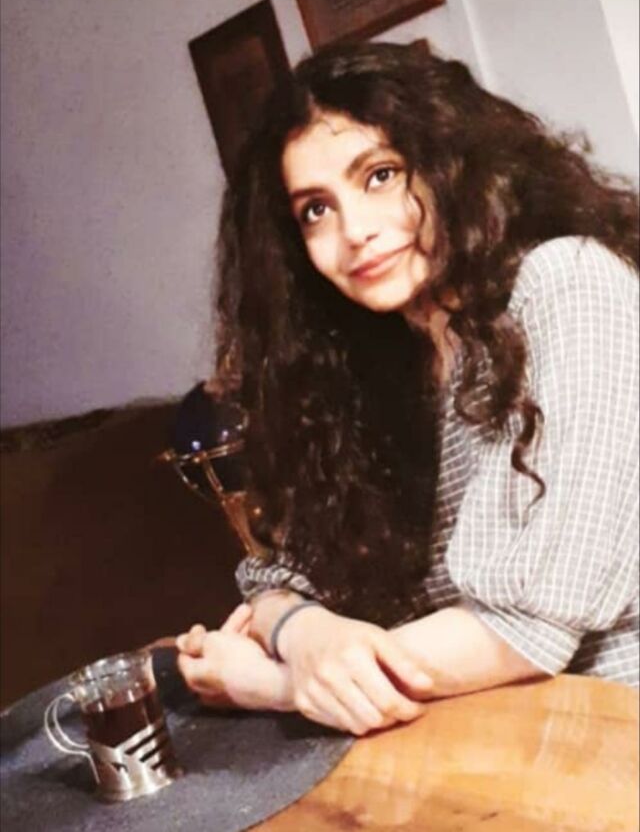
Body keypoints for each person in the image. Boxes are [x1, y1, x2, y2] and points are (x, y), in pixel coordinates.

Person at [176, 40, 639, 736]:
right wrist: (304, 631)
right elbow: (278, 574)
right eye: (315, 210)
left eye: (381, 175)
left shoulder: (569, 284)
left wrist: (278, 683)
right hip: (492, 739)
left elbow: (524, 629)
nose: (355, 231)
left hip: (611, 741)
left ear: (453, 163)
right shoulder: (383, 363)